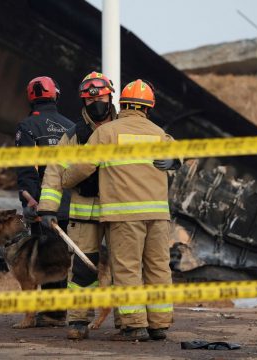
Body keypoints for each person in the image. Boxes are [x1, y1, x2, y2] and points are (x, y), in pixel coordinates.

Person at [61, 79, 180, 341]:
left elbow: (82, 168)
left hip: (125, 215)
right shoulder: (159, 133)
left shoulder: (107, 133)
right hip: (158, 215)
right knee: (159, 267)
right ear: (149, 107)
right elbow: (178, 154)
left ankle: (134, 326)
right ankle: (159, 324)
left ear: (121, 103)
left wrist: (64, 179)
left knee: (127, 269)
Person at [38, 71, 118, 340]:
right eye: (90, 100)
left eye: (102, 98)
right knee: (83, 269)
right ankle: (78, 321)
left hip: (121, 211)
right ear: (83, 102)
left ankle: (130, 322)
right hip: (84, 211)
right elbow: (53, 172)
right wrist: (48, 208)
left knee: (125, 267)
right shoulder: (74, 135)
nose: (97, 105)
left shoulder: (124, 129)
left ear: (110, 98)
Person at [15, 76, 74, 327]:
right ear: (55, 95)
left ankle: (53, 314)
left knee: (47, 255)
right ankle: (58, 311)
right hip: (71, 202)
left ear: (31, 96)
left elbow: (27, 168)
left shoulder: (27, 127)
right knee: (63, 255)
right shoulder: (71, 126)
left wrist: (30, 200)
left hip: (42, 203)